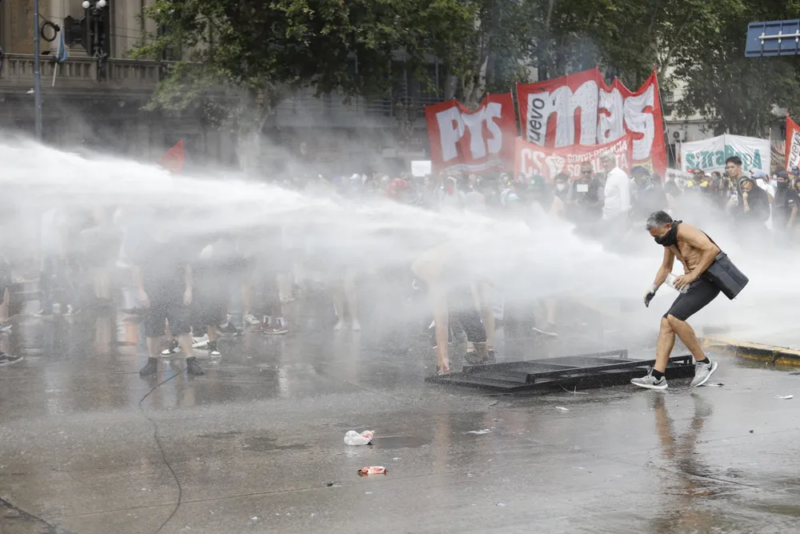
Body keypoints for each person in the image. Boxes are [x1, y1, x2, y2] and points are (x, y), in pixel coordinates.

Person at [633, 211, 721, 390]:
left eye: (658, 235)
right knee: (666, 322)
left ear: (667, 226)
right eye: (654, 237)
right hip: (695, 282)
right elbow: (666, 267)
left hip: (709, 281)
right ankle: (657, 376)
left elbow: (713, 250)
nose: (657, 240)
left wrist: (691, 276)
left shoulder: (684, 231)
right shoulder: (669, 239)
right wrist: (653, 288)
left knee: (675, 318)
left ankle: (704, 363)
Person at [134, 222, 204, 377]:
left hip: (176, 291)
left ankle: (191, 361)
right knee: (153, 328)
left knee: (182, 326)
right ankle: (152, 362)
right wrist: (140, 290)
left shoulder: (178, 244)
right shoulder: (146, 244)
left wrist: (188, 289)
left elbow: (187, 268)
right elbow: (138, 268)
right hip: (153, 292)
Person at [600, 151, 631, 221]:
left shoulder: (620, 175)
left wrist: (623, 218)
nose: (604, 164)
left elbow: (625, 198)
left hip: (617, 217)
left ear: (613, 161)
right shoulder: (608, 175)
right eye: (603, 162)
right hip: (607, 216)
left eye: (606, 161)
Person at [772, 171, 799, 246]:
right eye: (777, 179)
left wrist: (790, 223)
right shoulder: (778, 191)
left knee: (787, 245)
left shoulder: (790, 192)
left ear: (786, 180)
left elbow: (794, 208)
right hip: (778, 222)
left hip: (787, 222)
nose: (778, 181)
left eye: (780, 179)